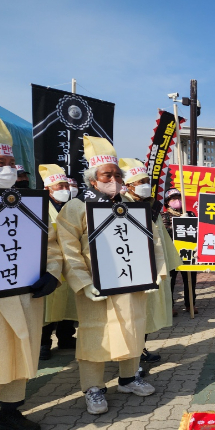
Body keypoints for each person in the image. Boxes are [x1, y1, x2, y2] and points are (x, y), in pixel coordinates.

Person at [0, 114, 62, 430]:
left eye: (10, 162)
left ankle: (9, 412)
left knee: (17, 356)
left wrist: (52, 272)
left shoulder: (25, 203)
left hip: (21, 294)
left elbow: (51, 245)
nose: (7, 169)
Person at [56, 137, 166, 414]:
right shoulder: (77, 207)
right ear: (94, 179)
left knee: (132, 328)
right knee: (96, 335)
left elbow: (152, 243)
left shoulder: (132, 207)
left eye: (118, 174)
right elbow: (68, 250)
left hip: (131, 282)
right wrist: (82, 282)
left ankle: (129, 378)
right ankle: (93, 388)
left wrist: (154, 274)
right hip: (97, 286)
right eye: (108, 174)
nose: (114, 179)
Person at [121, 158, 182, 363]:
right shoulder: (121, 205)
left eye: (147, 180)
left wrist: (168, 263)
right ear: (128, 185)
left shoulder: (152, 206)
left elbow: (161, 237)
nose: (146, 185)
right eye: (141, 182)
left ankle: (140, 348)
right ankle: (129, 359)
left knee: (146, 313)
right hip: (130, 267)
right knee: (131, 315)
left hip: (152, 267)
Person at [38, 165, 78, 361]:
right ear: (48, 189)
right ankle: (43, 343)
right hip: (49, 263)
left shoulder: (73, 207)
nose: (65, 189)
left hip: (71, 261)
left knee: (69, 303)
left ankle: (66, 337)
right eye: (59, 186)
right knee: (47, 306)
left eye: (66, 185)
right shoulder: (39, 207)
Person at [161, 188, 198, 315]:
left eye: (178, 198)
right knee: (170, 281)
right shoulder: (163, 216)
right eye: (173, 199)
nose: (176, 201)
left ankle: (190, 304)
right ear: (167, 202)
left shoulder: (190, 214)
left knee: (190, 280)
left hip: (187, 252)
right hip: (171, 253)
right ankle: (170, 306)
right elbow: (164, 233)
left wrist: (188, 219)